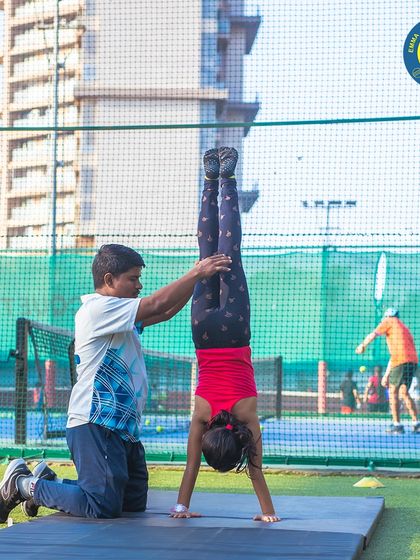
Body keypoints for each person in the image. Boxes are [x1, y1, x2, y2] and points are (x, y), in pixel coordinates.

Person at [0, 244, 231, 523]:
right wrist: (196, 273)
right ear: (109, 280)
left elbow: (164, 313)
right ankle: (23, 485)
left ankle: (51, 481)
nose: (139, 285)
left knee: (131, 504)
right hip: (96, 424)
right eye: (133, 279)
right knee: (102, 506)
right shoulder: (98, 309)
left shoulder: (119, 314)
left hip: (123, 429)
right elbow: (156, 304)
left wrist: (197, 281)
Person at [170, 147, 279, 523]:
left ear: (240, 444)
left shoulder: (247, 417)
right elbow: (191, 467)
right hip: (203, 331)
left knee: (228, 251)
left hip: (234, 331)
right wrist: (180, 507)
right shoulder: (200, 415)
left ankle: (226, 179)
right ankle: (209, 180)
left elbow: (256, 471)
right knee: (207, 255)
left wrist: (268, 512)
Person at [356, 308, 420, 434]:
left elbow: (373, 335)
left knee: (392, 392)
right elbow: (395, 356)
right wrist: (386, 375)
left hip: (401, 361)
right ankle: (416, 423)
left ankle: (397, 425)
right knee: (404, 392)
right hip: (412, 362)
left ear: (388, 316)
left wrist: (363, 345)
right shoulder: (404, 329)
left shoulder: (389, 321)